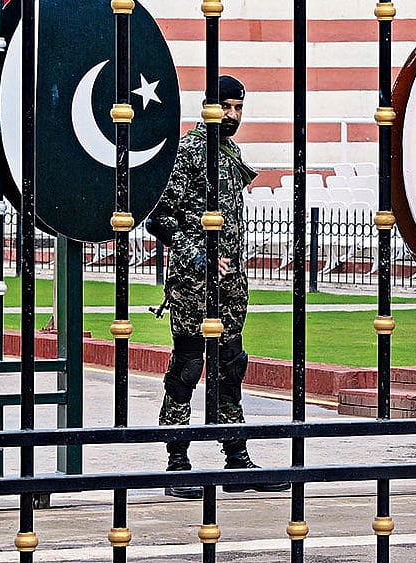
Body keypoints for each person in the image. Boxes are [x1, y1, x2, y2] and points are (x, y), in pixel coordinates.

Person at [146, 75, 289, 498]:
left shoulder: (231, 153)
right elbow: (159, 218)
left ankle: (236, 460)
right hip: (193, 282)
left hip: (230, 284)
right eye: (225, 107)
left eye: (238, 108)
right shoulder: (189, 152)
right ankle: (177, 463)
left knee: (231, 366)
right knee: (189, 367)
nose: (232, 116)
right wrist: (198, 256)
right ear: (208, 108)